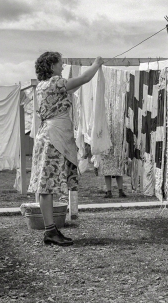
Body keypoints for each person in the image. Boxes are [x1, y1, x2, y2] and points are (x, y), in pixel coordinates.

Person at [28, 52, 104, 246]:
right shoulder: (54, 83)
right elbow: (84, 78)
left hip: (51, 135)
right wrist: (96, 63)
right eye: (60, 64)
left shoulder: (46, 86)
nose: (62, 67)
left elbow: (77, 85)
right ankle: (50, 231)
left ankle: (51, 229)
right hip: (53, 137)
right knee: (46, 185)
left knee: (48, 184)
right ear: (52, 66)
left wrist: (92, 73)